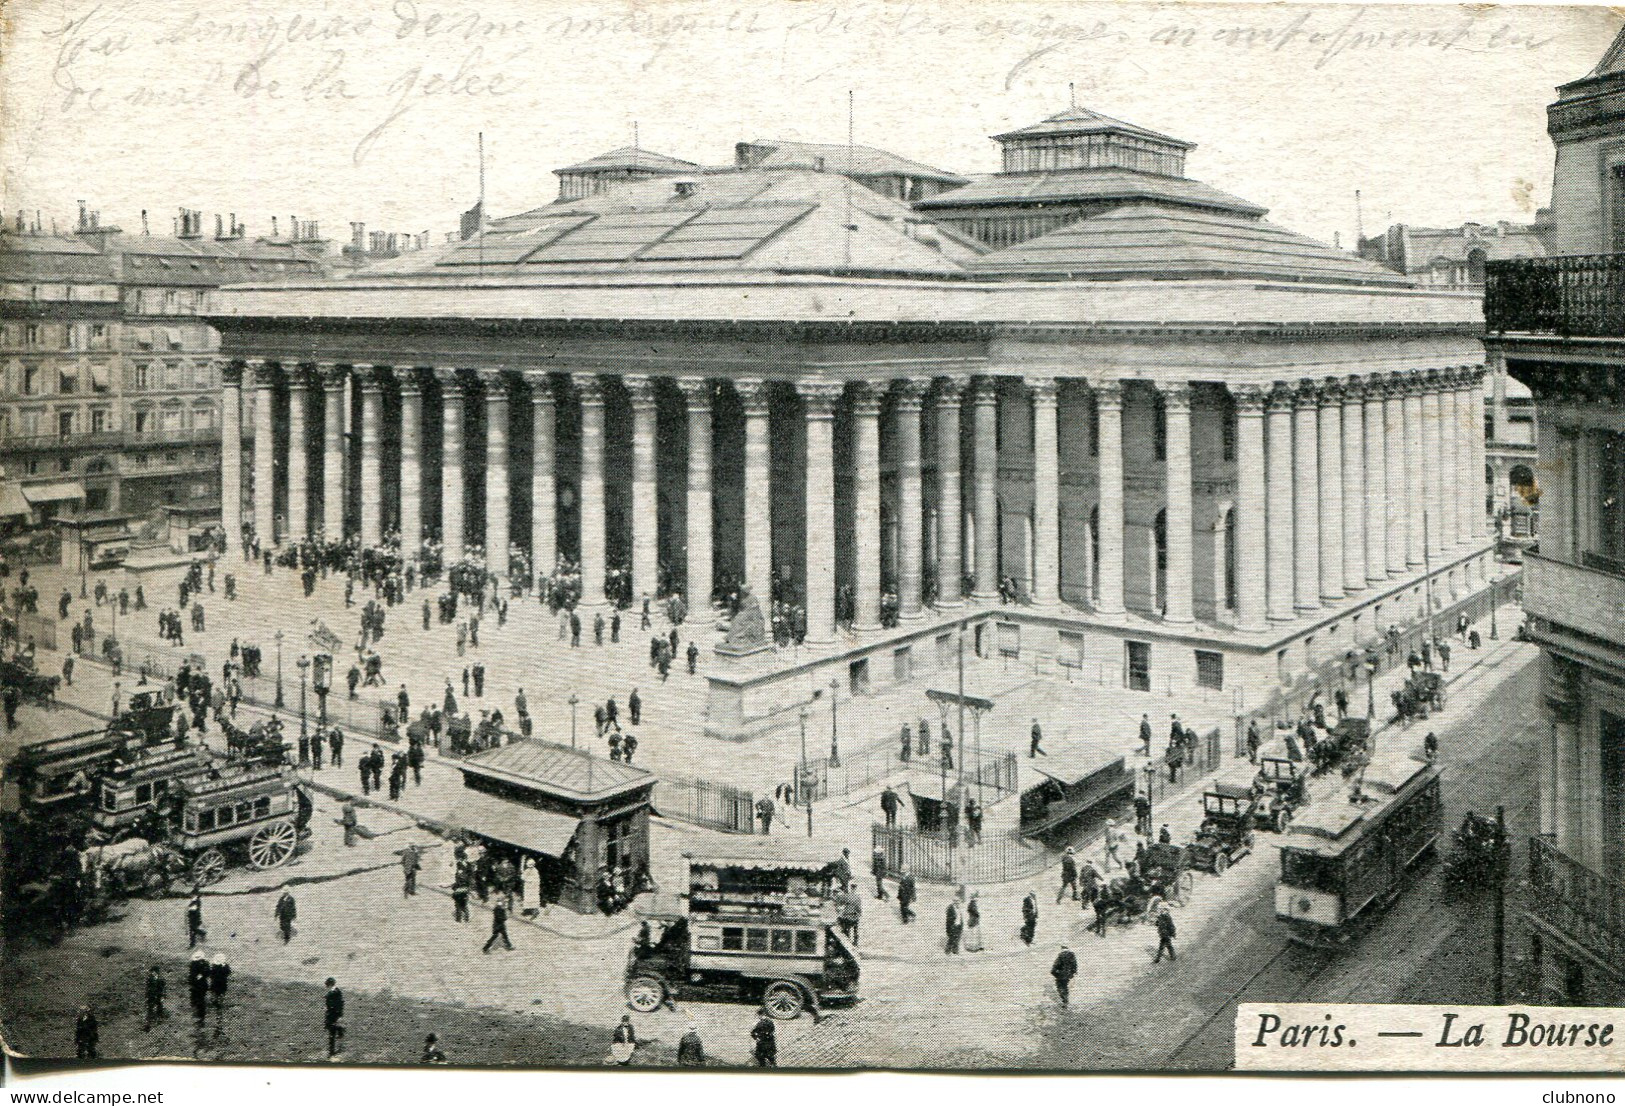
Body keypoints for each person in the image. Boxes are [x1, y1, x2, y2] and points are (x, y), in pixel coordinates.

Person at [324, 978, 345, 1057]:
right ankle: (334, 1050)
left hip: (334, 1016)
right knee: (336, 1033)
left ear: (329, 984)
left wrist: (338, 1016)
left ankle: (333, 1051)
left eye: (327, 984)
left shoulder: (335, 992)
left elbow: (339, 1005)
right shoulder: (335, 991)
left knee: (334, 1033)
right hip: (333, 1015)